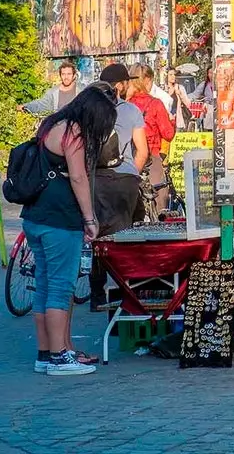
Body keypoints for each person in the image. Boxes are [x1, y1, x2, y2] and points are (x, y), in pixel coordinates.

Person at [23, 86, 116, 376]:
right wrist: (90, 218)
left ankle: (46, 353)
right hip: (59, 219)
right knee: (61, 287)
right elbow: (77, 176)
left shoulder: (52, 123)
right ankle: (60, 357)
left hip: (35, 215)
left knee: (44, 284)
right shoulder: (73, 132)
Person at [89, 65, 148, 310]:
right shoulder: (132, 110)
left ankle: (97, 294)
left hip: (96, 180)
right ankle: (127, 291)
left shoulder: (90, 110)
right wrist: (131, 172)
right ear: (120, 86)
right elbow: (142, 151)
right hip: (124, 180)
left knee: (98, 235)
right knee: (126, 235)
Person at [128, 65, 176, 211]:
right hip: (151, 157)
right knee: (159, 199)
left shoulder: (125, 104)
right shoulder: (156, 104)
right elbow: (168, 134)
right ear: (147, 80)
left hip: (129, 159)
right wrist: (172, 121)